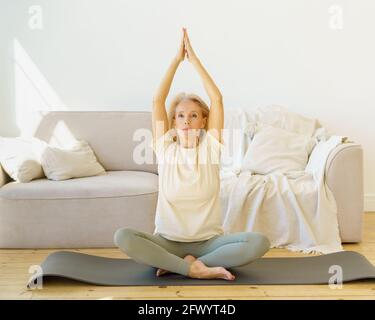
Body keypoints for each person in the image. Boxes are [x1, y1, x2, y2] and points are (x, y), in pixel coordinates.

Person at [114, 28, 270, 280]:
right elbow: (157, 101)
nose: (187, 120)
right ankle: (195, 268)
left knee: (259, 242)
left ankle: (182, 264)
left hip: (209, 242)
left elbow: (217, 99)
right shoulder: (165, 148)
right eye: (181, 115)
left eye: (193, 115)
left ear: (202, 121)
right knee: (123, 237)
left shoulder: (211, 148)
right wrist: (176, 61)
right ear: (173, 121)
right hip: (167, 241)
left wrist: (194, 60)